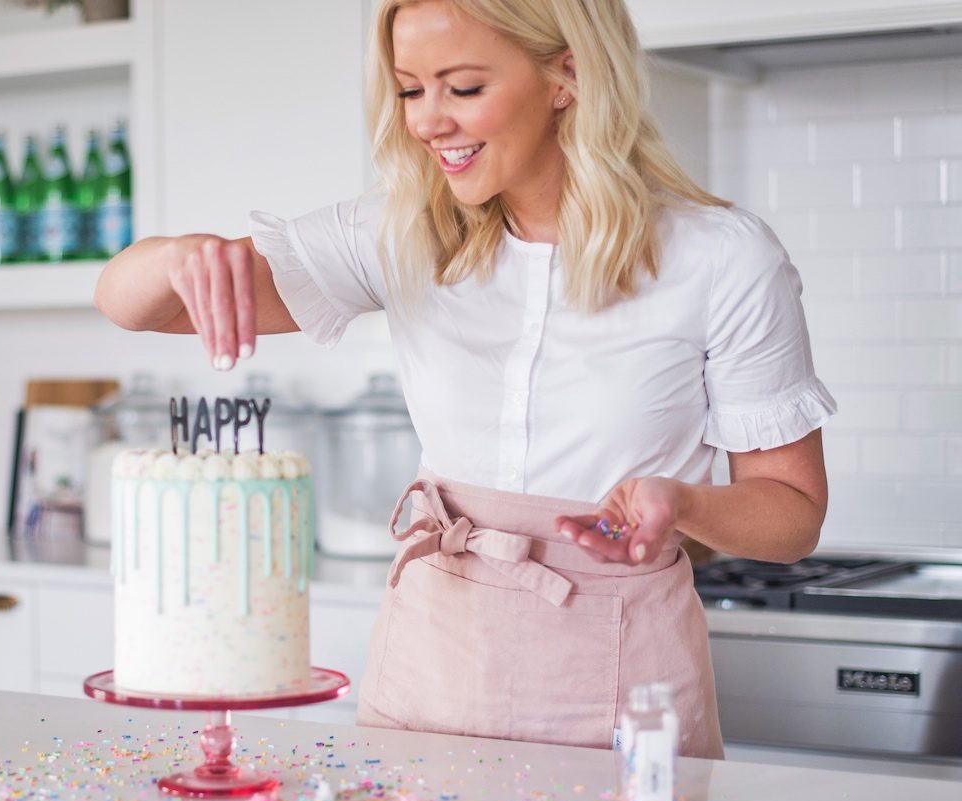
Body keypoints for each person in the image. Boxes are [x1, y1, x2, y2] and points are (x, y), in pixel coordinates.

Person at [94, 0, 835, 760]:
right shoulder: (399, 233)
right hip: (430, 666)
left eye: (464, 88)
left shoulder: (723, 259)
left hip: (624, 686)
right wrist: (179, 256)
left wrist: (684, 504)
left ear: (568, 75)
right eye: (411, 90)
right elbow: (132, 304)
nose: (426, 121)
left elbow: (793, 515)